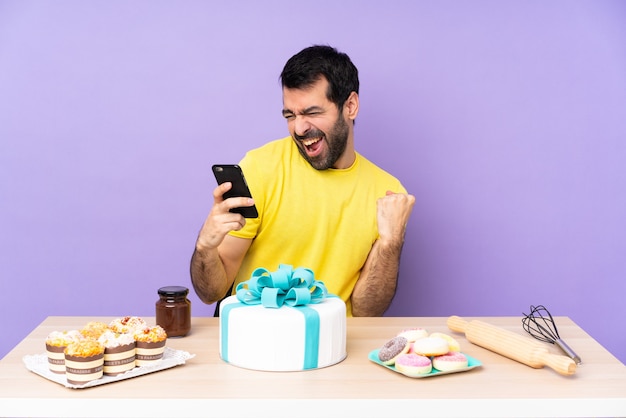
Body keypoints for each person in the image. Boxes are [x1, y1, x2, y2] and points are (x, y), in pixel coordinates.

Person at [190, 45, 415, 317]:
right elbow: (210, 292)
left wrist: (391, 245)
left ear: (350, 106)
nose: (299, 128)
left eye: (312, 112)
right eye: (290, 115)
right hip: (256, 339)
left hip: (332, 346)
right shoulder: (260, 169)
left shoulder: (386, 193)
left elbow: (368, 311)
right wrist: (205, 246)